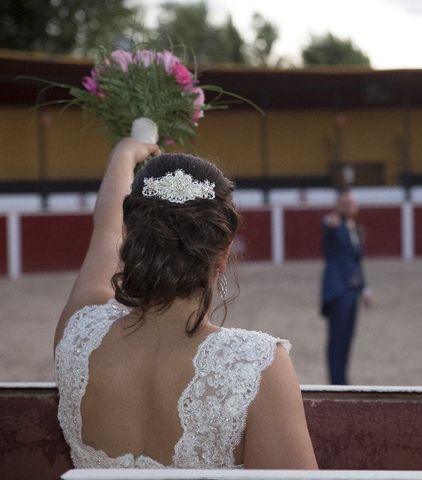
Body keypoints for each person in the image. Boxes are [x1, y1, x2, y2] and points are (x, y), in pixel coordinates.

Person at [53, 138, 318, 470]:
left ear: (130, 240)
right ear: (223, 254)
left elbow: (104, 231)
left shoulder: (78, 334)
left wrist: (123, 154)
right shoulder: (260, 366)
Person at [320, 188, 372, 385]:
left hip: (352, 292)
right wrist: (329, 225)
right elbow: (327, 227)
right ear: (337, 206)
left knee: (346, 339)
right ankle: (337, 383)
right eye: (344, 203)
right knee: (337, 341)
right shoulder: (334, 225)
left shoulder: (356, 229)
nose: (348, 206)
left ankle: (342, 381)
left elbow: (356, 263)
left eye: (351, 203)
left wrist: (365, 288)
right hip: (337, 292)